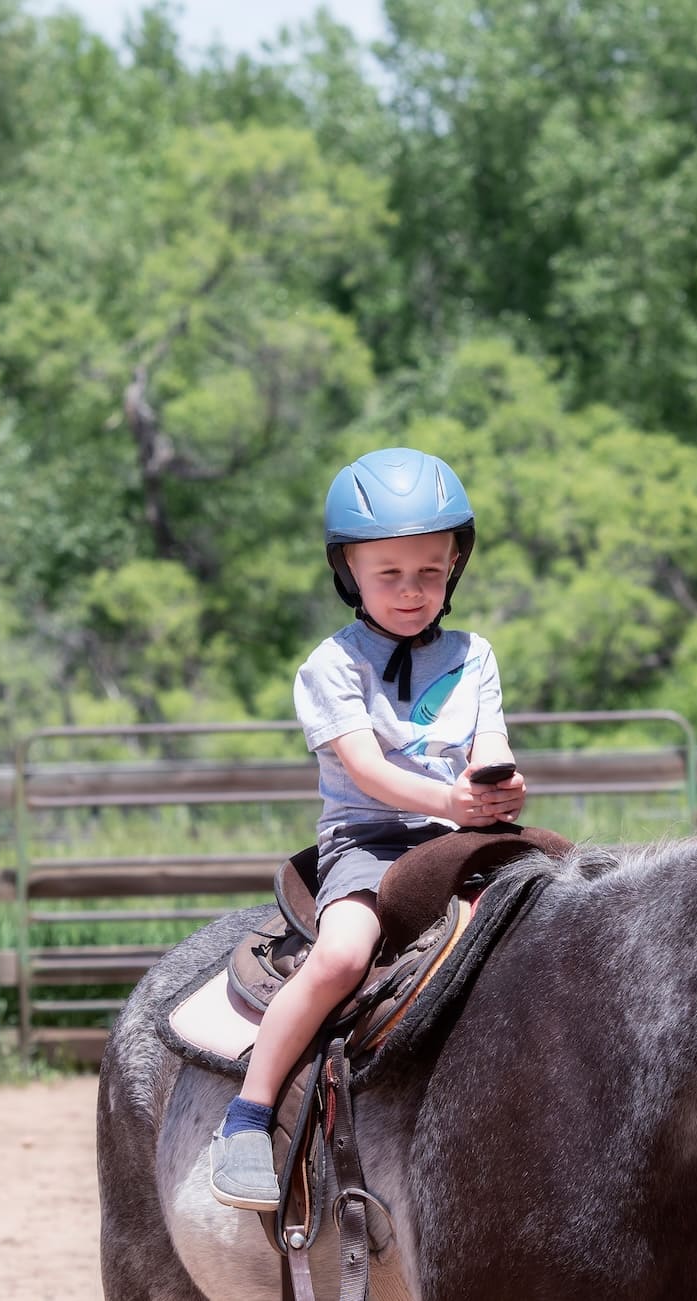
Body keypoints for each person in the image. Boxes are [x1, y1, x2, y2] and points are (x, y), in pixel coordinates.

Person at [208, 447, 528, 1211]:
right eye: (389, 573)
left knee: (554, 922)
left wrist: (499, 782)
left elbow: (491, 740)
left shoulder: (474, 654)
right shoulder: (331, 665)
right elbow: (365, 771)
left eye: (430, 570)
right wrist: (451, 802)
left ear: (455, 565)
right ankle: (248, 1116)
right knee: (343, 954)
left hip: (460, 833)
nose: (413, 590)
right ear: (350, 573)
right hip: (371, 842)